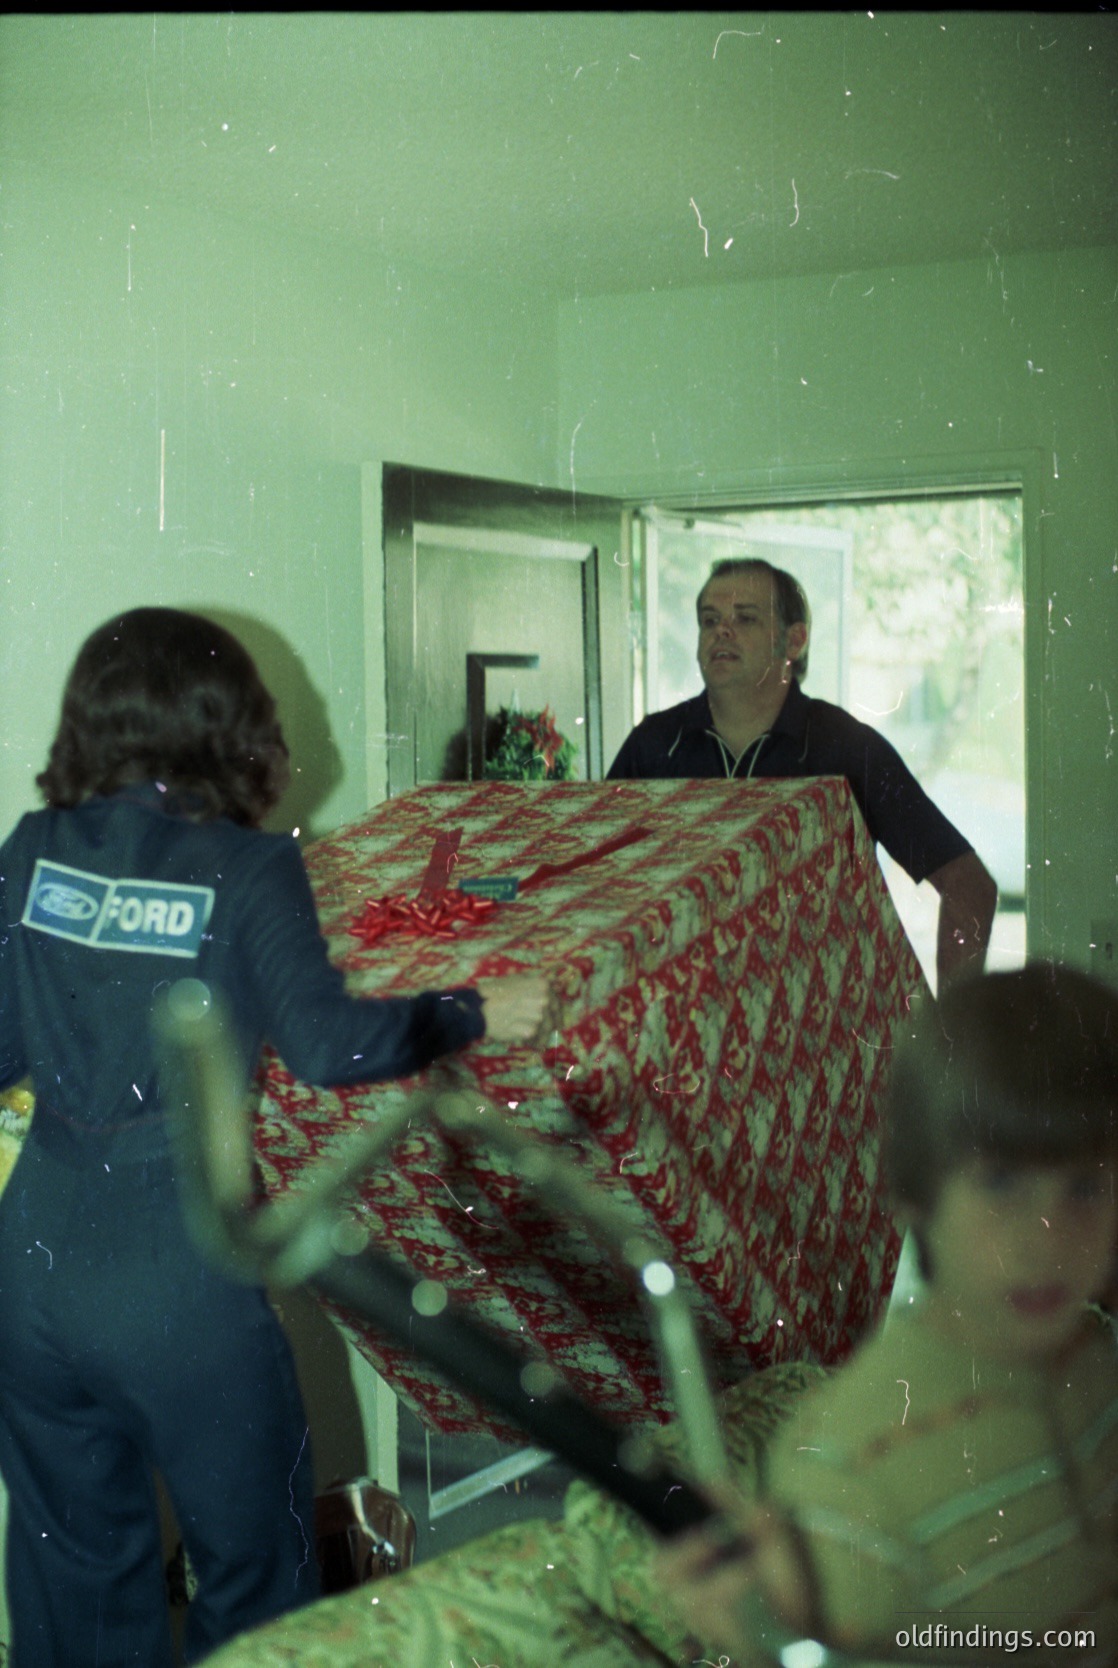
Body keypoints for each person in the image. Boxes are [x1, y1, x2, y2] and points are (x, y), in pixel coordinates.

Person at [0, 607, 547, 1668]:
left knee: (72, 1584)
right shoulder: (243, 869)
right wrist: (477, 1009)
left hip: (32, 1265)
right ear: (223, 720)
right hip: (179, 1264)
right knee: (260, 1579)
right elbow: (334, 1047)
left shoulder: (34, 849)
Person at [657, 962, 1118, 1664]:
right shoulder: (852, 1474)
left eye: (1085, 1187)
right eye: (1001, 1183)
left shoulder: (1093, 1357)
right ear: (915, 1190)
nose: (1046, 1237)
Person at [607, 558, 997, 989]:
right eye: (709, 620)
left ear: (794, 641)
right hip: (688, 1018)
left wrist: (952, 1038)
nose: (722, 631)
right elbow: (589, 881)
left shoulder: (846, 747)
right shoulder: (655, 743)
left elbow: (970, 887)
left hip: (823, 1025)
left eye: (746, 619)